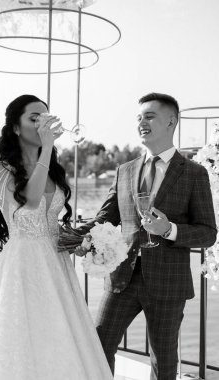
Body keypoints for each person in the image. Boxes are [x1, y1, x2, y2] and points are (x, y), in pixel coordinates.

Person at [0, 95, 113, 380]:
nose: (42, 123)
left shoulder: (54, 171)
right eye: (34, 118)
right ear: (16, 128)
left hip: (57, 265)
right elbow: (31, 202)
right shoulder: (0, 170)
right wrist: (47, 149)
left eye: (45, 117)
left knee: (61, 332)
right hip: (22, 267)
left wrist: (77, 242)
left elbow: (50, 222)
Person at [75, 93, 217, 380]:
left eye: (149, 116)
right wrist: (68, 234)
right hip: (122, 280)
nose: (142, 122)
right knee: (98, 346)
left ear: (171, 122)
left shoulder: (194, 173)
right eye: (138, 118)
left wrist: (168, 230)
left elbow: (208, 233)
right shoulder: (124, 170)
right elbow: (104, 218)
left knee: (163, 361)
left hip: (167, 283)